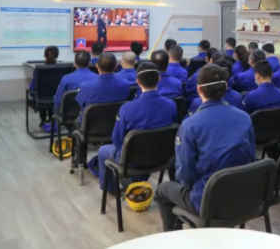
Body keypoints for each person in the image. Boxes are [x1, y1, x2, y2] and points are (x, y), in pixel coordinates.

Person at [156, 64, 256, 232]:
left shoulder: (190, 125)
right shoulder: (244, 118)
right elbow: (251, 157)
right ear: (225, 87)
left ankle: (172, 237)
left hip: (207, 199)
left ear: (199, 89)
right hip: (241, 193)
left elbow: (185, 174)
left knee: (162, 189)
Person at [97, 62, 176, 192]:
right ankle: (136, 180)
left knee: (102, 151)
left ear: (137, 81)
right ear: (159, 78)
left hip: (132, 158)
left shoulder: (127, 108)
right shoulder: (171, 105)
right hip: (163, 155)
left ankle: (110, 189)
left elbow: (117, 140)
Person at [75, 53, 131, 125]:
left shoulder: (85, 86)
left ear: (97, 66)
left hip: (90, 126)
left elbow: (79, 102)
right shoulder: (125, 84)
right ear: (116, 66)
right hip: (116, 124)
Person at [29, 45, 60, 125]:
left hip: (41, 99)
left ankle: (43, 119)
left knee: (40, 93)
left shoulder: (38, 70)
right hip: (57, 98)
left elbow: (32, 88)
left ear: (45, 55)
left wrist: (32, 93)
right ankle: (51, 118)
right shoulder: (62, 69)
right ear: (57, 56)